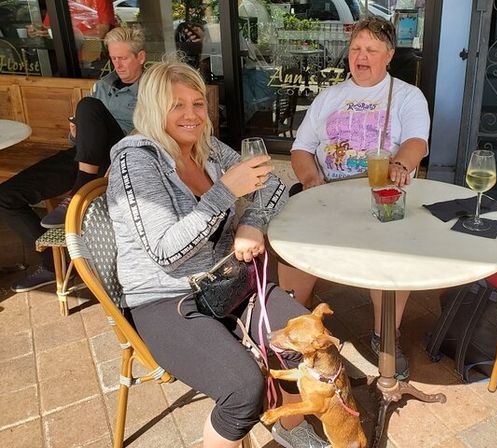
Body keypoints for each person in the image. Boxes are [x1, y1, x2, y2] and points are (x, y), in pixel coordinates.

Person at [106, 59, 330, 448]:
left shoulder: (207, 149)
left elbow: (272, 182)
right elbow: (165, 252)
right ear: (153, 108)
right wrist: (226, 190)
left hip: (226, 283)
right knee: (243, 388)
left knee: (310, 342)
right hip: (165, 299)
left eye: (197, 103)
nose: (192, 115)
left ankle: (291, 426)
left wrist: (252, 222)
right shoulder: (137, 160)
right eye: (177, 105)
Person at [277, 16, 430, 381]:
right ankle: (295, 330)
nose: (361, 56)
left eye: (371, 49)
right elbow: (301, 149)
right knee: (292, 249)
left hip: (381, 200)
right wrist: (311, 179)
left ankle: (384, 335)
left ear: (389, 55)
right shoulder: (330, 97)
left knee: (395, 259)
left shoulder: (408, 96)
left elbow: (415, 142)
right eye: (356, 48)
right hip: (327, 200)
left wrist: (401, 165)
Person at [0, 26, 146, 293]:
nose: (118, 64)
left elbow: (153, 131)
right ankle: (51, 265)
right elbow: (81, 138)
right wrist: (74, 134)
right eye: (113, 58)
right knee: (6, 196)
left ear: (141, 57)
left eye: (123, 58)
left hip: (118, 158)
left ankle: (78, 193)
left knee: (88, 106)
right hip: (83, 158)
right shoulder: (102, 86)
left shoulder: (152, 88)